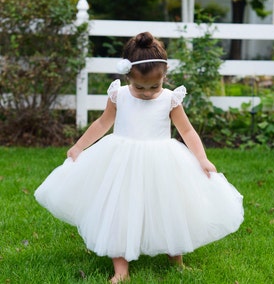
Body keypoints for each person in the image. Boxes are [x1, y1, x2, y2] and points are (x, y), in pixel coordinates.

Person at [35, 32, 244, 283]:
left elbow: (187, 130)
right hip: (122, 161)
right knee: (120, 209)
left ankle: (176, 259)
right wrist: (79, 146)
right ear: (128, 77)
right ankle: (121, 269)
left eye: (154, 86)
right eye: (140, 87)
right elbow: (103, 123)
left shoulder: (170, 99)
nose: (147, 93)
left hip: (162, 161)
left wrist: (202, 158)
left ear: (164, 76)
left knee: (170, 206)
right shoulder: (119, 95)